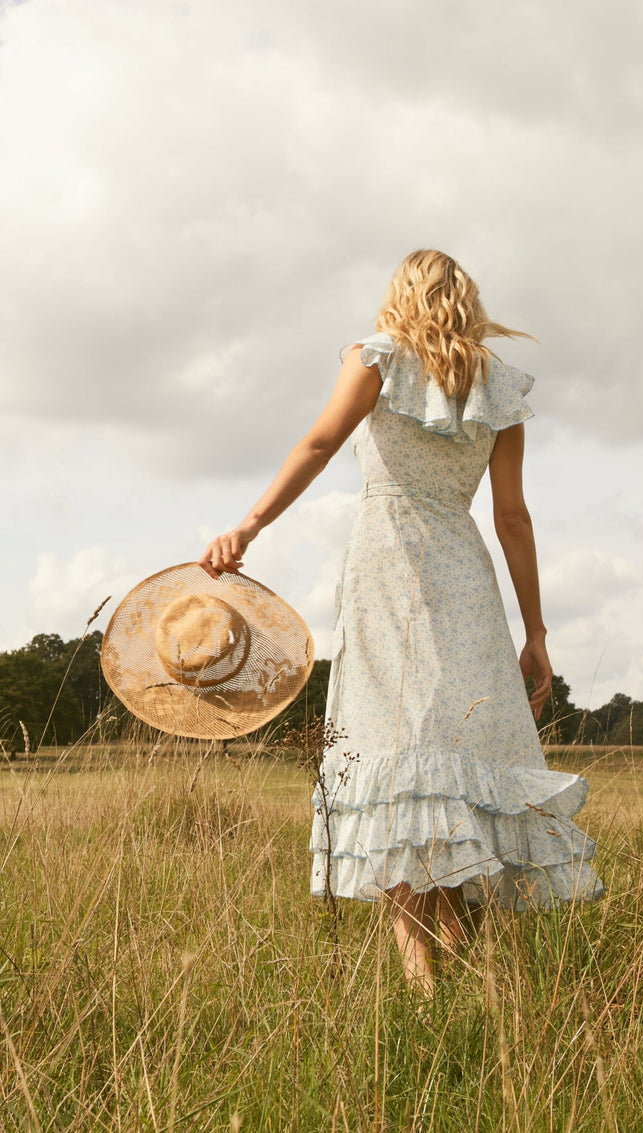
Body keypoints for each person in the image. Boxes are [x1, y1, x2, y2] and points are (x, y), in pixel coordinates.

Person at [199, 249, 602, 996]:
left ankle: (424, 982)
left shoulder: (374, 358)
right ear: (466, 302)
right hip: (467, 575)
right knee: (459, 764)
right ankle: (458, 970)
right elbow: (512, 517)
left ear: (402, 296)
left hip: (388, 569)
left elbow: (318, 445)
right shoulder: (499, 386)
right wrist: (536, 630)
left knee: (400, 762)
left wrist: (247, 527)